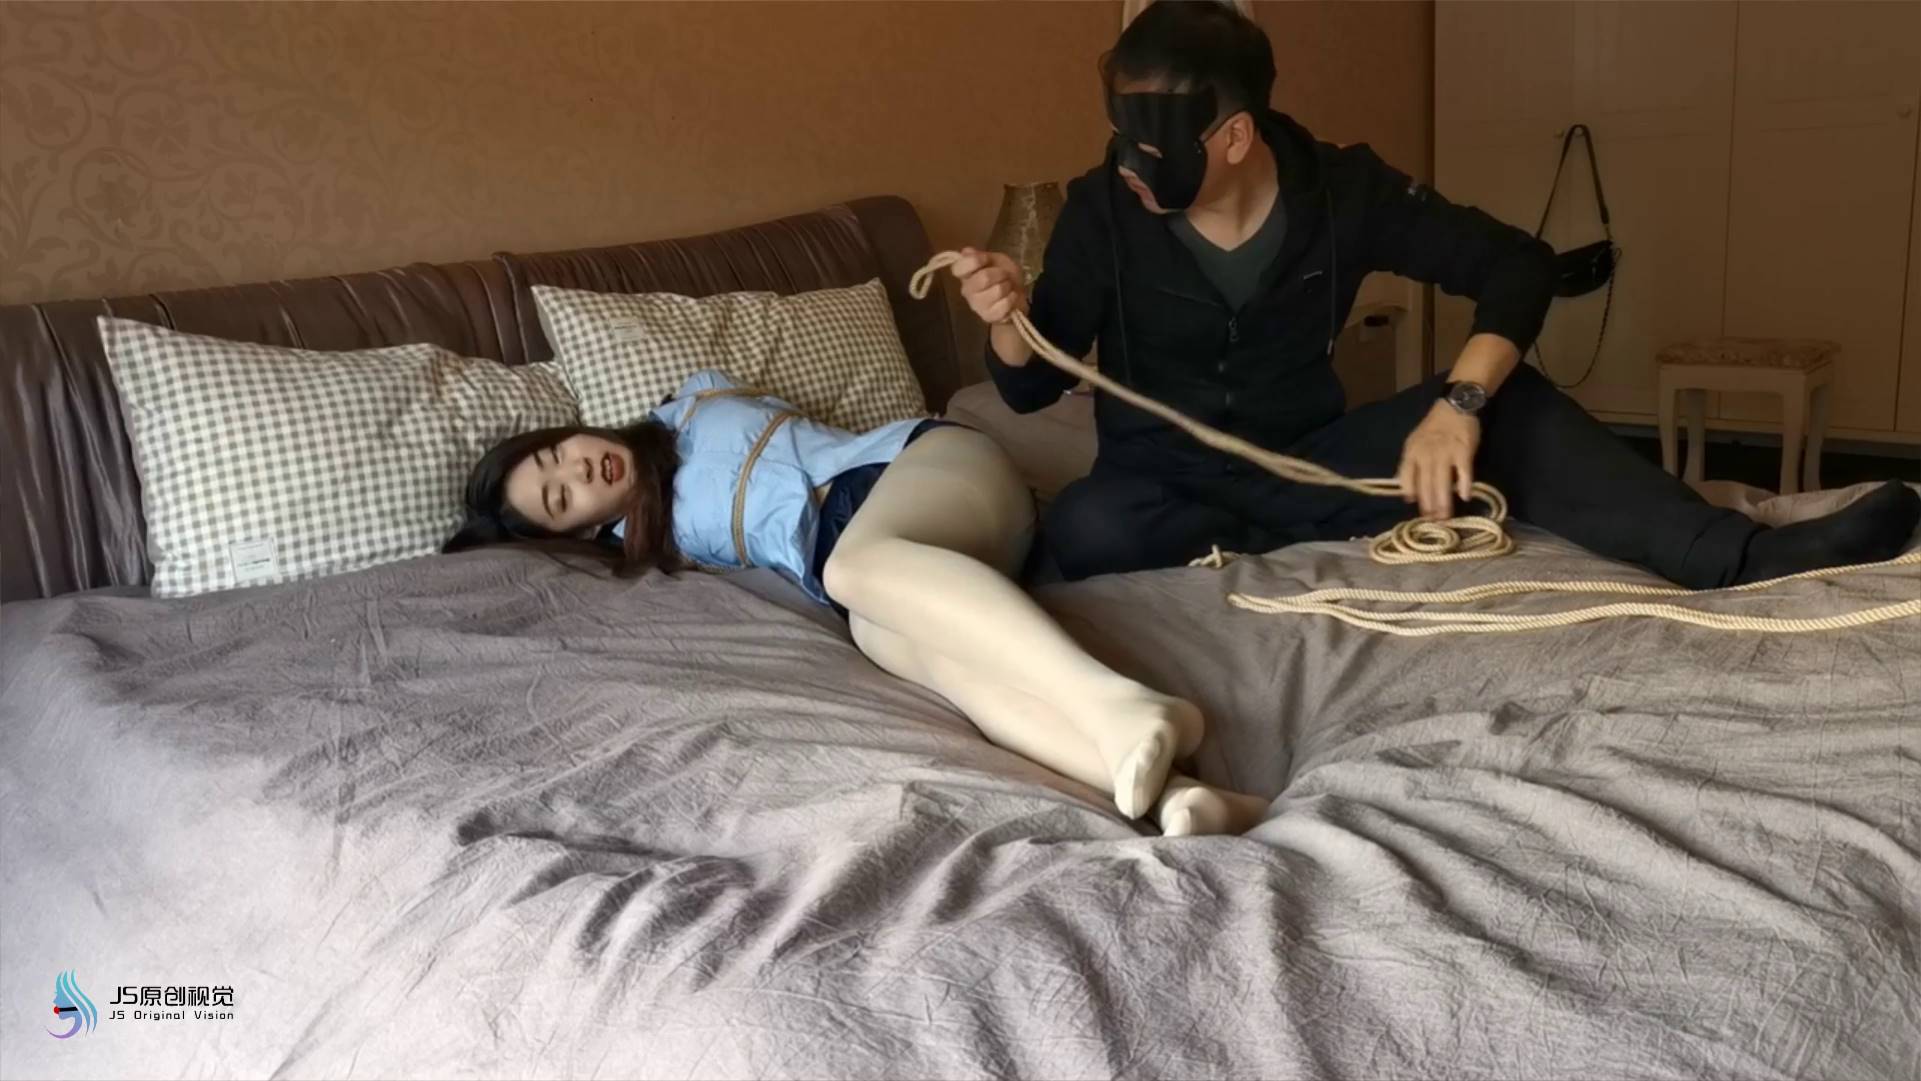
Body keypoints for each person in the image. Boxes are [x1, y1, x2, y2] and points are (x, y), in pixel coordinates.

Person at [947, 1, 1918, 587]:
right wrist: (1006, 325)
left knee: (1509, 406)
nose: (1127, 161)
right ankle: (1256, 546)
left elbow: (1517, 265)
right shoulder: (1100, 208)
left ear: (1234, 136)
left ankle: (1735, 557)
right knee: (1084, 527)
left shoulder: (1342, 189)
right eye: (1118, 137)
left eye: (1148, 143)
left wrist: (1459, 404)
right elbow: (1030, 391)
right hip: (1162, 487)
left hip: (1309, 466)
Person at [444, 369, 1269, 836]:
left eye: (557, 454)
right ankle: (1176, 796)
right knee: (914, 656)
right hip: (893, 578)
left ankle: (1120, 703)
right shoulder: (653, 554)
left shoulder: (688, 404)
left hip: (921, 473)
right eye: (560, 497)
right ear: (581, 532)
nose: (578, 470)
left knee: (851, 574)